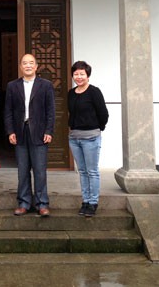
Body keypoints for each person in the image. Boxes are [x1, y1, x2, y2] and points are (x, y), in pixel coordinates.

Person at [4, 53, 55, 217]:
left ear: (36, 66)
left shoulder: (45, 85)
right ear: (20, 67)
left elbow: (51, 111)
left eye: (31, 63)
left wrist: (49, 131)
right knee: (23, 171)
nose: (28, 65)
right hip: (20, 132)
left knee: (40, 170)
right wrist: (10, 131)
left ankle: (42, 204)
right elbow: (8, 111)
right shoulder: (13, 86)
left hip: (39, 132)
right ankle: (24, 203)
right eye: (24, 63)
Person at [67, 60, 109, 218]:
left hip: (91, 137)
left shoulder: (94, 92)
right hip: (74, 138)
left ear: (88, 75)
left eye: (82, 74)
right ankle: (85, 201)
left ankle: (93, 202)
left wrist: (98, 128)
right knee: (82, 171)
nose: (79, 77)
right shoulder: (71, 93)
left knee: (92, 171)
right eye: (76, 74)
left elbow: (103, 114)